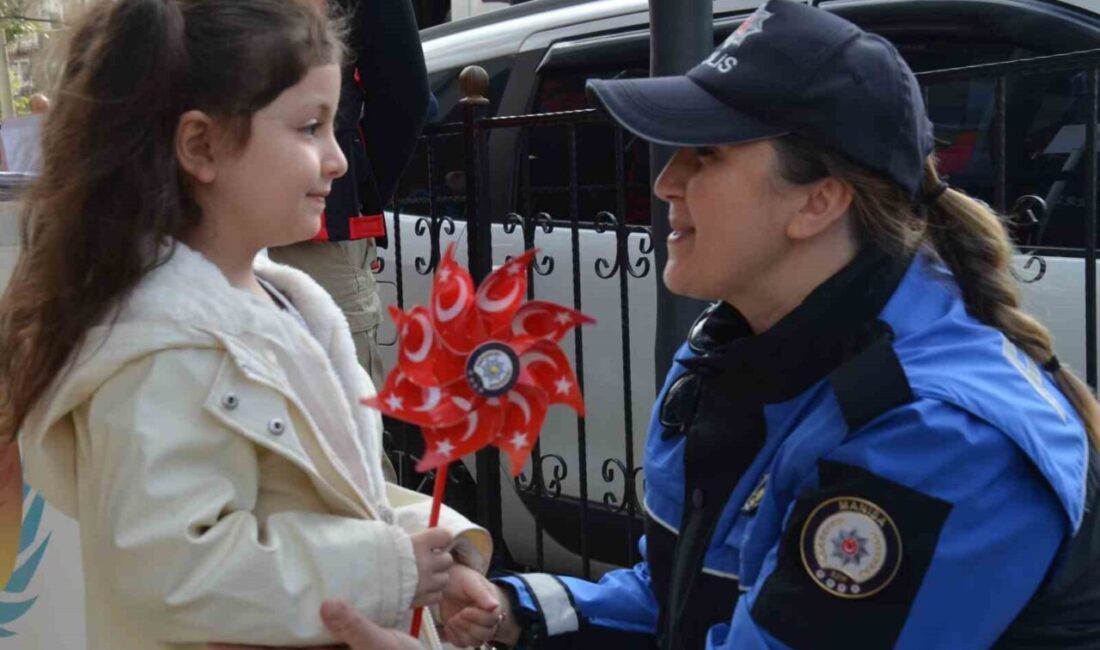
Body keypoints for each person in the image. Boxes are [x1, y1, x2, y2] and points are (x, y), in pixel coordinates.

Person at [432, 0, 1100, 647]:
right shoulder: (733, 350)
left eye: (706, 155)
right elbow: (680, 600)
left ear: (818, 202)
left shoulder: (938, 440)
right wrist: (519, 612)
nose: (666, 182)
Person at [0, 1, 493, 648]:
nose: (339, 160)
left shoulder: (288, 302)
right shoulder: (159, 351)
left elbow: (329, 493)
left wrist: (431, 555)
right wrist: (389, 570)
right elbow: (174, 569)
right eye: (311, 127)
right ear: (202, 145)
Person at [266, 0, 429, 389]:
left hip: (315, 227)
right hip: (265, 221)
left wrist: (356, 193)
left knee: (337, 403)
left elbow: (403, 99)